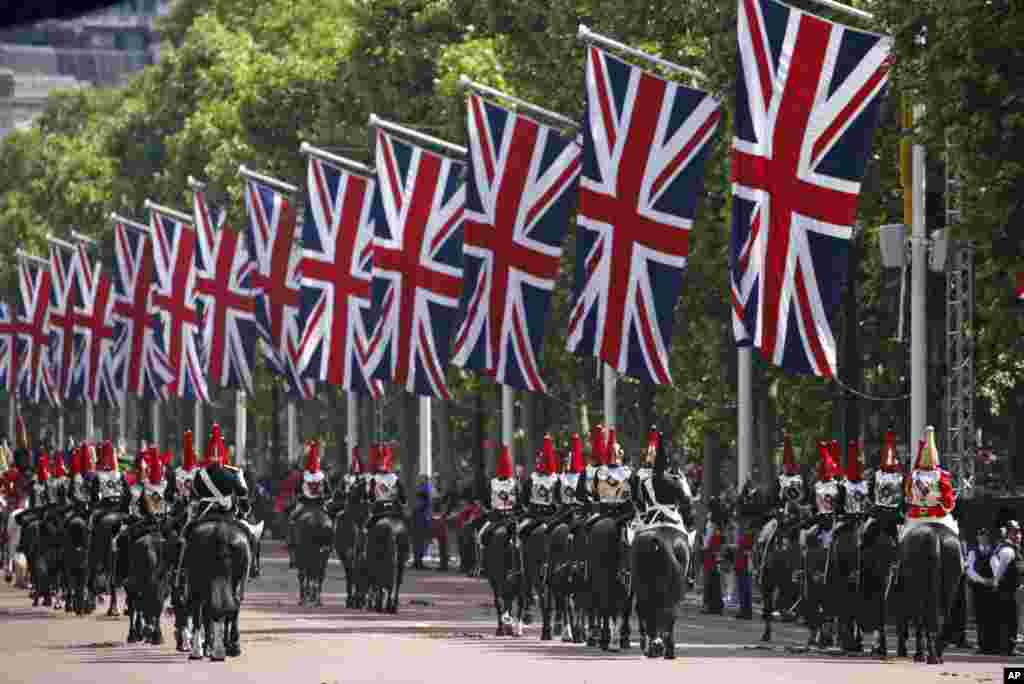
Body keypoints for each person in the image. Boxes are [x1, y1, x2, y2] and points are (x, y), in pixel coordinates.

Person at [903, 425, 957, 538]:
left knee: (902, 537)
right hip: (938, 516)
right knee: (954, 532)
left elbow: (908, 496)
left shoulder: (913, 475)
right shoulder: (941, 475)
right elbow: (949, 503)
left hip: (916, 517)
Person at [474, 446, 520, 576]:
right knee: (518, 540)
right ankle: (517, 564)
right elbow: (521, 502)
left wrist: (486, 510)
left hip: (498, 518)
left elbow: (484, 501)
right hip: (506, 517)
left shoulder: (493, 482)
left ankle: (482, 565)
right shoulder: (514, 483)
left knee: (480, 537)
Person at [286, 440, 331, 567]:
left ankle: (292, 548)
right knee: (331, 521)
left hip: (304, 504)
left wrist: (301, 496)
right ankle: (329, 545)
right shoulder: (323, 476)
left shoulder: (302, 476)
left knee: (292, 519)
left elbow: (296, 491)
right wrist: (323, 496)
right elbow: (329, 493)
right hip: (320, 505)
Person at [989, 521, 1021, 656]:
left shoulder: (1012, 548)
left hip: (1010, 588)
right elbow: (999, 569)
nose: (1019, 535)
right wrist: (996, 582)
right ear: (1009, 533)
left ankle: (1008, 646)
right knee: (1010, 618)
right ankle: (1008, 647)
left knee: (1010, 618)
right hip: (1007, 589)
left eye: (1019, 532)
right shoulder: (1008, 550)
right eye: (1016, 532)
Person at [519, 435, 560, 539]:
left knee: (521, 531)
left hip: (539, 516)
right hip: (549, 516)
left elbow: (524, 500)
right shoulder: (556, 479)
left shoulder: (532, 479)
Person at [966, 528, 996, 654]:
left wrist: (995, 580)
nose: (983, 538)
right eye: (981, 535)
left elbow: (997, 567)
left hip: (993, 586)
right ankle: (982, 645)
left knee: (992, 616)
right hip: (979, 587)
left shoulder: (994, 550)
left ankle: (992, 644)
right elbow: (970, 570)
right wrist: (983, 580)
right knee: (981, 617)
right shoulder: (973, 551)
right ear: (978, 537)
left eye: (985, 535)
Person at [364, 444, 406, 530]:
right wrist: (403, 501)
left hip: (379, 509)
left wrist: (371, 499)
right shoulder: (395, 478)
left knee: (366, 529)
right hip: (394, 508)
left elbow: (371, 497)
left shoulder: (374, 479)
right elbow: (402, 495)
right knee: (406, 527)